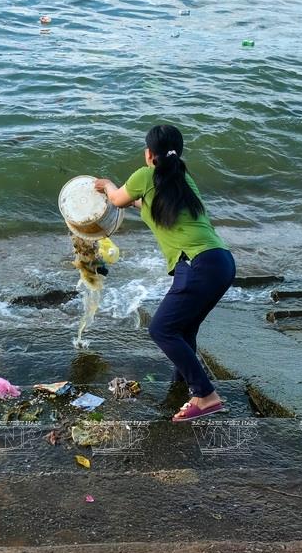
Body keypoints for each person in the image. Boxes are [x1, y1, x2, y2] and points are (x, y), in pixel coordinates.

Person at [94, 124, 235, 422]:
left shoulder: (145, 175)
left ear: (148, 154)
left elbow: (117, 199)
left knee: (161, 329)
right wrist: (130, 198)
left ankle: (205, 395)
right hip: (221, 262)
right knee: (184, 330)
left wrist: (106, 185)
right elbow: (142, 202)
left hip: (196, 265)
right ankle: (183, 387)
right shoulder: (184, 181)